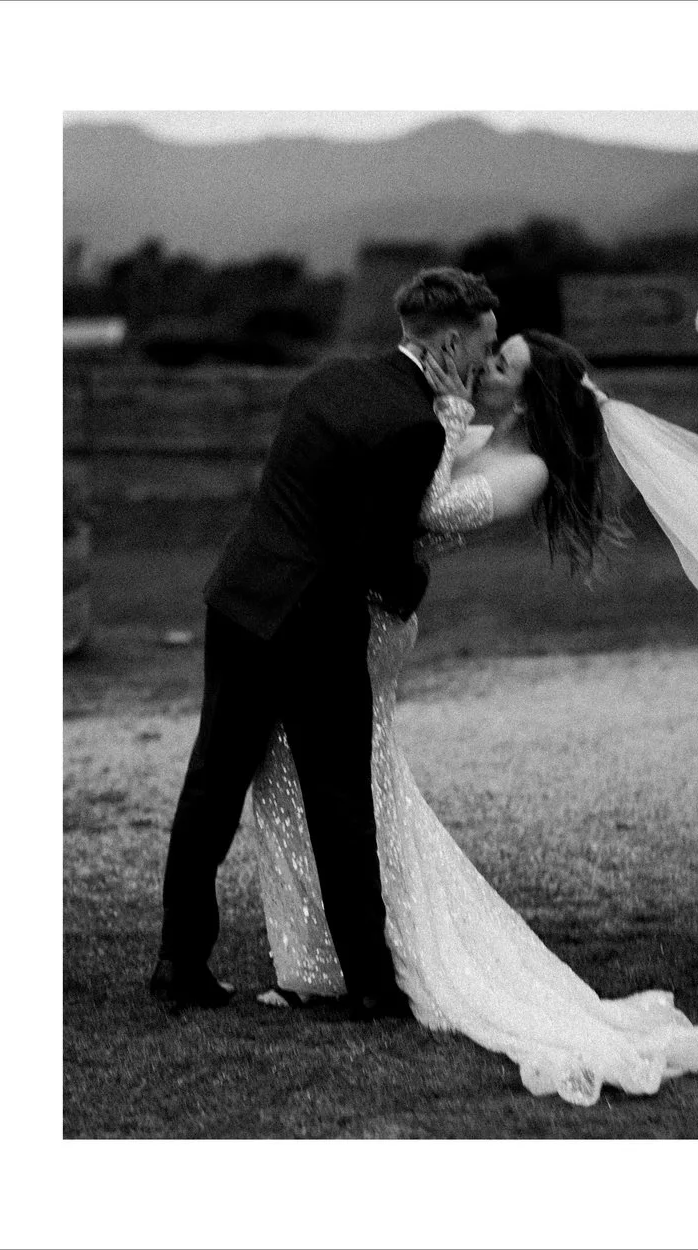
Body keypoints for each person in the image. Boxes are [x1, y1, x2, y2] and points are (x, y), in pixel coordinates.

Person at [241, 328, 698, 1104]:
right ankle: (320, 958)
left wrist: (443, 420)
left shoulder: (528, 469)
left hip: (373, 626)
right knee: (289, 772)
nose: (483, 368)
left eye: (500, 364)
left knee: (348, 783)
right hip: (342, 608)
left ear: (530, 389)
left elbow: (431, 504)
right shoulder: (477, 430)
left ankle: (350, 955)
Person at [155, 267, 494, 1016]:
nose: (482, 360)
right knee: (338, 798)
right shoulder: (417, 426)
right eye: (480, 344)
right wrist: (412, 590)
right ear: (447, 339)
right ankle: (371, 984)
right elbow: (380, 554)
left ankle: (178, 963)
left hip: (241, 597)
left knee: (211, 783)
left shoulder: (324, 380)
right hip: (315, 621)